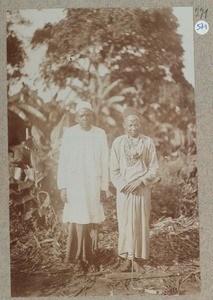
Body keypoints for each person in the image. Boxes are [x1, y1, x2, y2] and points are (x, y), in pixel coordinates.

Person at [57, 101, 109, 272]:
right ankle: (76, 258)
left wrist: (103, 187)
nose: (85, 118)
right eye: (81, 115)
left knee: (92, 220)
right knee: (77, 219)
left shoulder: (100, 134)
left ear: (92, 116)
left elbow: (104, 162)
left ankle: (90, 257)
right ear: (76, 118)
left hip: (93, 184)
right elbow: (63, 162)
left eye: (88, 115)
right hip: (75, 185)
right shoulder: (69, 134)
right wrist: (63, 187)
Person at [110, 107, 159, 272]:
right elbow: (113, 170)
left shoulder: (147, 142)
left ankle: (137, 259)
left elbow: (154, 168)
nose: (133, 128)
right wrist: (125, 185)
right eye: (130, 125)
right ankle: (126, 259)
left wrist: (140, 181)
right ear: (124, 125)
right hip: (124, 191)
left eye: (136, 124)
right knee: (125, 223)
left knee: (140, 222)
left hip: (142, 190)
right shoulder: (118, 142)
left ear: (140, 124)